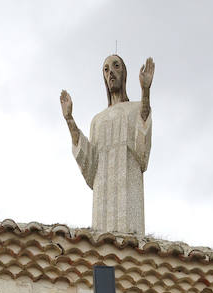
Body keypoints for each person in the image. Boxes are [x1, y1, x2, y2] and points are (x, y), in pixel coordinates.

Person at [60, 54, 153, 236]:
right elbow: (90, 164)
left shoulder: (136, 108)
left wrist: (146, 93)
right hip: (103, 198)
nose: (110, 73)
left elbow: (142, 150)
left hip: (129, 193)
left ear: (124, 74)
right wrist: (69, 119)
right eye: (106, 69)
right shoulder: (97, 121)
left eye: (115, 66)